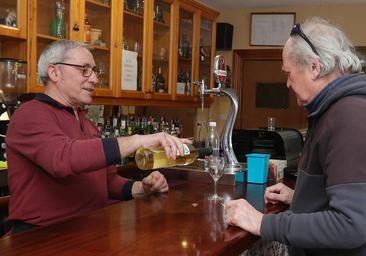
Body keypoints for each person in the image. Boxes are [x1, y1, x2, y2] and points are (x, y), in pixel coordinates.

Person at [5, 39, 191, 234]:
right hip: (41, 237)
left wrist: (143, 187)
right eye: (84, 69)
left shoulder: (87, 124)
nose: (93, 78)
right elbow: (63, 159)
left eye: (94, 71)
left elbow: (107, 182)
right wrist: (138, 140)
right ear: (54, 72)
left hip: (89, 231)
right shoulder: (30, 114)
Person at [225, 16, 366, 255]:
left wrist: (262, 223)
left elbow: (351, 225)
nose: (288, 83)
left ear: (314, 67)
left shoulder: (348, 115)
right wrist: (300, 198)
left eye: (289, 73)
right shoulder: (330, 110)